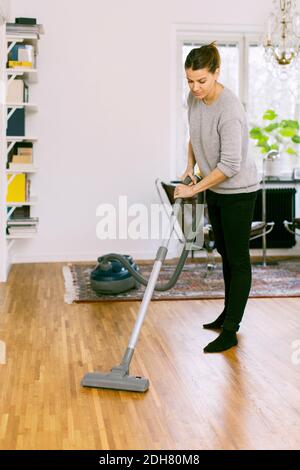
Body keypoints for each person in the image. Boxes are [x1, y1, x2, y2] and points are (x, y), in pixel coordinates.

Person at [174, 41, 260, 353]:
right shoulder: (194, 99)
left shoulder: (230, 109)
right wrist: (189, 167)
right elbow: (194, 134)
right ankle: (227, 314)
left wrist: (194, 188)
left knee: (237, 258)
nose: (195, 88)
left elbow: (231, 165)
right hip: (215, 188)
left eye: (201, 81)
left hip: (238, 191)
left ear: (216, 73)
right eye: (189, 81)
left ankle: (231, 330)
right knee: (224, 250)